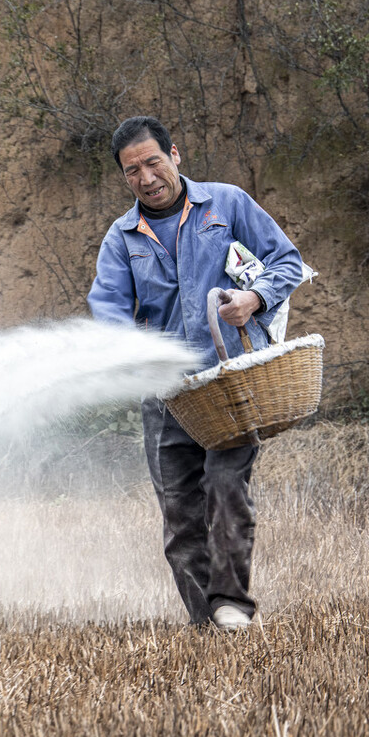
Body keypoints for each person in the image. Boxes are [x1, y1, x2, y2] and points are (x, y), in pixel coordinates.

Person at [87, 116, 310, 630]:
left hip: (230, 384)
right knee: (180, 514)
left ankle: (231, 605)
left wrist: (255, 298)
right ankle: (205, 624)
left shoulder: (226, 205)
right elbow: (110, 309)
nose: (146, 178)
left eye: (153, 163)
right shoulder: (122, 238)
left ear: (175, 155)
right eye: (132, 171)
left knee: (227, 486)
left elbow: (287, 261)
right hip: (166, 397)